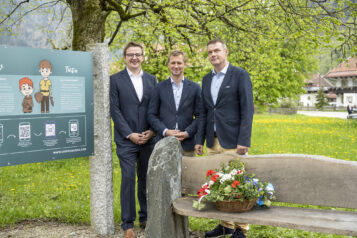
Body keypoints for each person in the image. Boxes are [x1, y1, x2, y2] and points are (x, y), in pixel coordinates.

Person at [195, 39, 254, 238]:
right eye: (210, 52)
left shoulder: (240, 75)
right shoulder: (206, 79)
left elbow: (247, 110)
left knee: (237, 183)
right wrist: (199, 139)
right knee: (218, 184)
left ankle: (241, 229)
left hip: (233, 140)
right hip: (212, 141)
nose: (213, 54)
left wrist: (244, 140)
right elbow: (204, 112)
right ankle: (225, 225)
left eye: (217, 50)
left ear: (226, 51)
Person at [110, 42, 157, 238]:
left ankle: (145, 217)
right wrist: (129, 134)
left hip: (148, 138)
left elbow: (157, 108)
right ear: (125, 57)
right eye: (130, 55)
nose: (134, 58)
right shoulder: (115, 80)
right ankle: (127, 225)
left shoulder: (153, 80)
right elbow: (115, 110)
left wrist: (152, 131)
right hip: (126, 139)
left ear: (143, 57)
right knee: (128, 179)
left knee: (146, 180)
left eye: (138, 54)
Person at [147, 50, 201, 156]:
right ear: (168, 65)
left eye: (179, 63)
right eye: (173, 63)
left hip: (187, 144)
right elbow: (151, 115)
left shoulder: (195, 88)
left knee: (187, 173)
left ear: (184, 64)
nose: (176, 66)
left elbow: (200, 115)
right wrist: (165, 131)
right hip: (163, 144)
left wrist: (187, 133)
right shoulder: (159, 88)